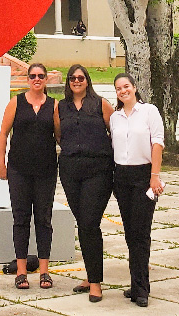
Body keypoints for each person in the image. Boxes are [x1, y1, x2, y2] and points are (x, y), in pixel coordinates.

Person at [0, 63, 60, 290]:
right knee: (21, 219)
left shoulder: (54, 106)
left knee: (44, 220)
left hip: (45, 171)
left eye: (41, 76)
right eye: (33, 76)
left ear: (46, 80)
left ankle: (44, 272)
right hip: (18, 170)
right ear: (27, 79)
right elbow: (4, 133)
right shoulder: (16, 103)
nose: (37, 79)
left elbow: (60, 136)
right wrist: (1, 163)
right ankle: (22, 271)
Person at [57, 65, 114, 303]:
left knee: (90, 223)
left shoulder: (101, 104)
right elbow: (59, 135)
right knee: (82, 224)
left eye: (80, 78)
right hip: (70, 171)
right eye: (72, 78)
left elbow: (116, 133)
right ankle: (91, 276)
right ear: (68, 82)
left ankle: (96, 284)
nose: (76, 81)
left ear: (87, 81)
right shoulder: (61, 107)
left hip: (98, 172)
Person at [110, 73, 164, 308]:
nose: (123, 91)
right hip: (121, 177)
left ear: (134, 87)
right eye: (118, 88)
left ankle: (142, 289)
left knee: (141, 234)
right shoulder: (115, 117)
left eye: (126, 86)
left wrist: (154, 177)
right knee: (130, 233)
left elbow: (157, 143)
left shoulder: (150, 111)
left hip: (144, 176)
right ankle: (134, 284)